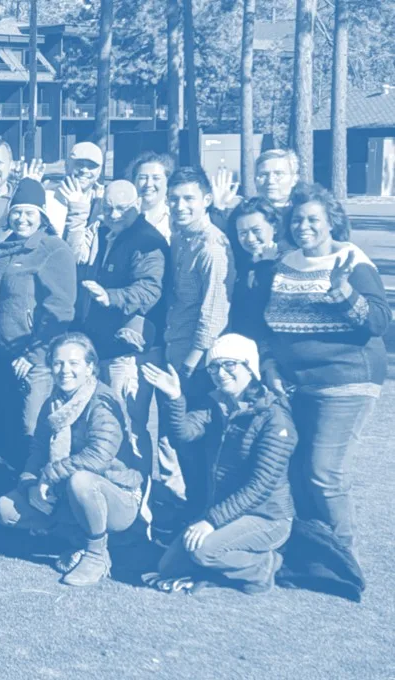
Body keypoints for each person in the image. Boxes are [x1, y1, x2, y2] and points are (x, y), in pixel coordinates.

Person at [262, 184, 388, 555]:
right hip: (297, 385)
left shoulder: (352, 260)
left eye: (313, 219)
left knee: (324, 473)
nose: (304, 226)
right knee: (298, 471)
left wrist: (342, 291)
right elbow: (269, 322)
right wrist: (270, 362)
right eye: (297, 219)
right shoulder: (286, 262)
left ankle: (343, 554)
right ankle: (312, 551)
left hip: (347, 380)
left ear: (331, 222)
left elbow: (379, 322)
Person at [143, 333, 296, 594]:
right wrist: (175, 397)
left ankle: (267, 565)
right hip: (227, 511)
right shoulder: (216, 404)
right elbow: (184, 435)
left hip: (267, 516)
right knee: (169, 567)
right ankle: (231, 557)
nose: (220, 372)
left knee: (203, 552)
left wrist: (210, 522)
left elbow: (259, 487)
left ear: (250, 367)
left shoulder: (274, 418)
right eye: (214, 366)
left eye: (230, 364)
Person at [0, 334, 144, 586]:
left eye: (73, 363)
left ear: (90, 367)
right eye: (58, 363)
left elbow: (98, 457)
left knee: (81, 481)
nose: (65, 370)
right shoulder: (53, 402)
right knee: (5, 509)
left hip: (116, 495)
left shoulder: (103, 402)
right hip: (64, 492)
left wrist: (48, 476)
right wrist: (30, 485)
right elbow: (39, 450)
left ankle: (96, 555)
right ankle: (80, 540)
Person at [75, 180, 169, 524]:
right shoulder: (104, 230)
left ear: (138, 206)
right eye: (109, 207)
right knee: (102, 427)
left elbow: (149, 290)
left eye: (122, 210)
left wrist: (111, 297)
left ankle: (136, 508)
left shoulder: (148, 241)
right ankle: (106, 498)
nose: (114, 214)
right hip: (100, 345)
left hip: (126, 354)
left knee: (129, 428)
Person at [0, 178, 77, 495]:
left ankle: (42, 497)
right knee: (6, 429)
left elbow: (60, 310)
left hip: (32, 361)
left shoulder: (53, 250)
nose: (21, 219)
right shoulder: (4, 249)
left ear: (42, 215)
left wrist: (34, 355)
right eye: (16, 212)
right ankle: (10, 496)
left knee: (31, 430)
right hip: (3, 359)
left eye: (29, 213)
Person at [162, 167, 236, 516]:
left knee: (199, 446)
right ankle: (190, 512)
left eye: (189, 198)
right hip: (175, 352)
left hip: (199, 363)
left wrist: (190, 363)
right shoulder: (180, 238)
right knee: (180, 440)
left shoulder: (211, 246)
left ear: (206, 200)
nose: (180, 205)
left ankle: (202, 516)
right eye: (174, 198)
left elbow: (213, 313)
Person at [227, 198, 282, 345]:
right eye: (243, 233)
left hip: (273, 349)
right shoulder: (242, 263)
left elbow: (260, 304)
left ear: (274, 227)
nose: (250, 239)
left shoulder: (287, 261)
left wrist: (265, 265)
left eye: (256, 230)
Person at [45, 142, 105, 261]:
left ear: (99, 171)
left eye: (91, 166)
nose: (84, 170)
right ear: (67, 166)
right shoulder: (48, 197)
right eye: (79, 164)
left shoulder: (104, 202)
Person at [128, 151, 174, 241]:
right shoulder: (123, 218)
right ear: (134, 182)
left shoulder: (176, 219)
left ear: (167, 183)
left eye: (156, 178)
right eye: (143, 178)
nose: (148, 184)